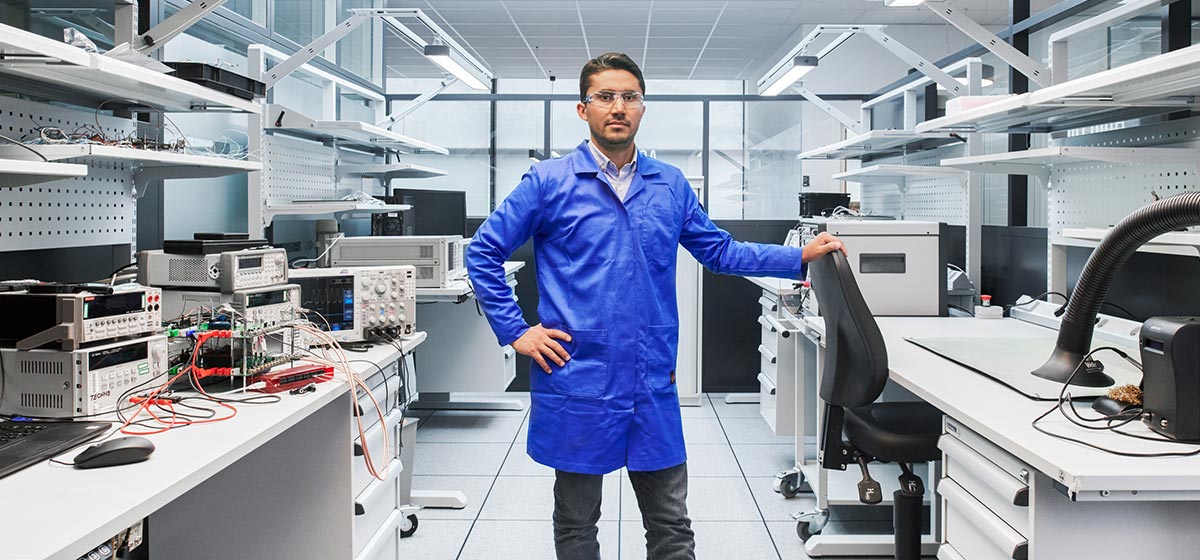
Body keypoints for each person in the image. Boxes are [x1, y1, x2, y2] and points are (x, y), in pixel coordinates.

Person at [465, 52, 847, 560]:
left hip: (650, 376)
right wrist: (516, 331)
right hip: (577, 373)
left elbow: (719, 250)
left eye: (629, 97)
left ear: (642, 108)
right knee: (577, 523)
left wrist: (796, 256)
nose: (617, 107)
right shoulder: (548, 183)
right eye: (605, 96)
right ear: (583, 110)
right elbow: (483, 251)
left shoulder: (668, 184)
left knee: (671, 525)